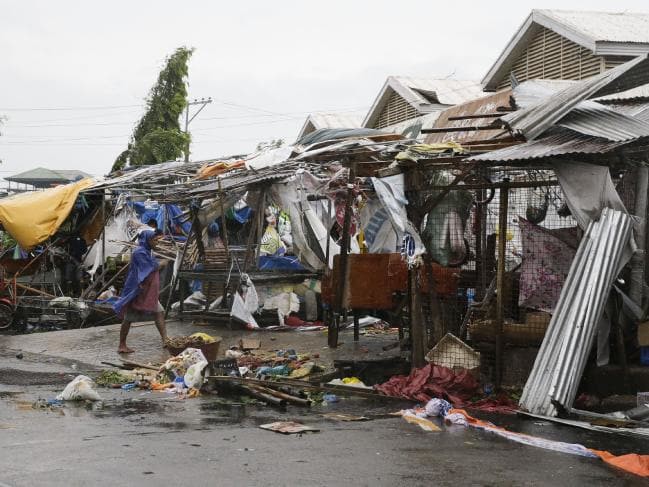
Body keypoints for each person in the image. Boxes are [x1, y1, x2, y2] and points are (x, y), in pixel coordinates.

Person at [113, 229, 168, 354]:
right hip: (138, 290)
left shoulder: (148, 252)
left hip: (149, 292)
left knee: (159, 312)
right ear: (147, 240)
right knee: (128, 318)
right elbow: (148, 268)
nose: (156, 242)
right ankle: (122, 345)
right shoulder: (139, 252)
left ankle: (165, 340)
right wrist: (162, 264)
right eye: (154, 240)